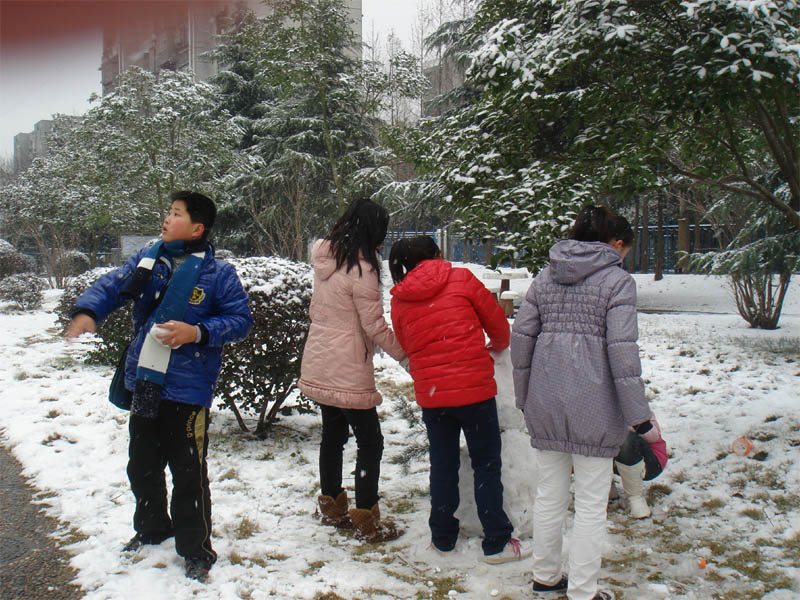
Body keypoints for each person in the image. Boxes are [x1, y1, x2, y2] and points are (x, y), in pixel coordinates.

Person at [65, 191, 253, 582]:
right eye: (168, 212)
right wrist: (87, 312)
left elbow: (240, 320)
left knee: (188, 472)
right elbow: (112, 286)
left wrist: (197, 332)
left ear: (197, 227)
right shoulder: (149, 262)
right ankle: (151, 529)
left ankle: (195, 549)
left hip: (187, 389)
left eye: (176, 214)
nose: (166, 219)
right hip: (145, 381)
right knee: (143, 464)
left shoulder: (218, 274)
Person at [510, 205, 653, 600]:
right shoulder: (617, 282)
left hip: (546, 397)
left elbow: (521, 341)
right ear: (617, 244)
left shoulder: (545, 277)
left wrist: (524, 397)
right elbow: (623, 354)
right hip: (596, 403)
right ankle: (583, 592)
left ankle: (545, 579)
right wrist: (639, 416)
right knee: (591, 502)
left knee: (550, 492)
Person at [388, 235, 531, 564]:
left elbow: (409, 344)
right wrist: (492, 345)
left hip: (434, 395)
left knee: (442, 465)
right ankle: (496, 540)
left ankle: (442, 537)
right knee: (486, 464)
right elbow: (498, 328)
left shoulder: (400, 299)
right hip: (474, 390)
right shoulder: (462, 279)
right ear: (437, 254)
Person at [298, 197, 407, 543]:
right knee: (370, 441)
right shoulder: (362, 269)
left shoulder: (327, 261)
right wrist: (406, 356)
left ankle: (331, 504)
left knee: (332, 433)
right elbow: (374, 326)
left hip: (320, 358)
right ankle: (366, 516)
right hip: (347, 365)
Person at [613, 411, 668, 519]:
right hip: (612, 462)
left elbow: (654, 436)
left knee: (625, 438)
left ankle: (636, 497)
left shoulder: (635, 406)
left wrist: (640, 425)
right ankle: (603, 488)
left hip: (648, 462)